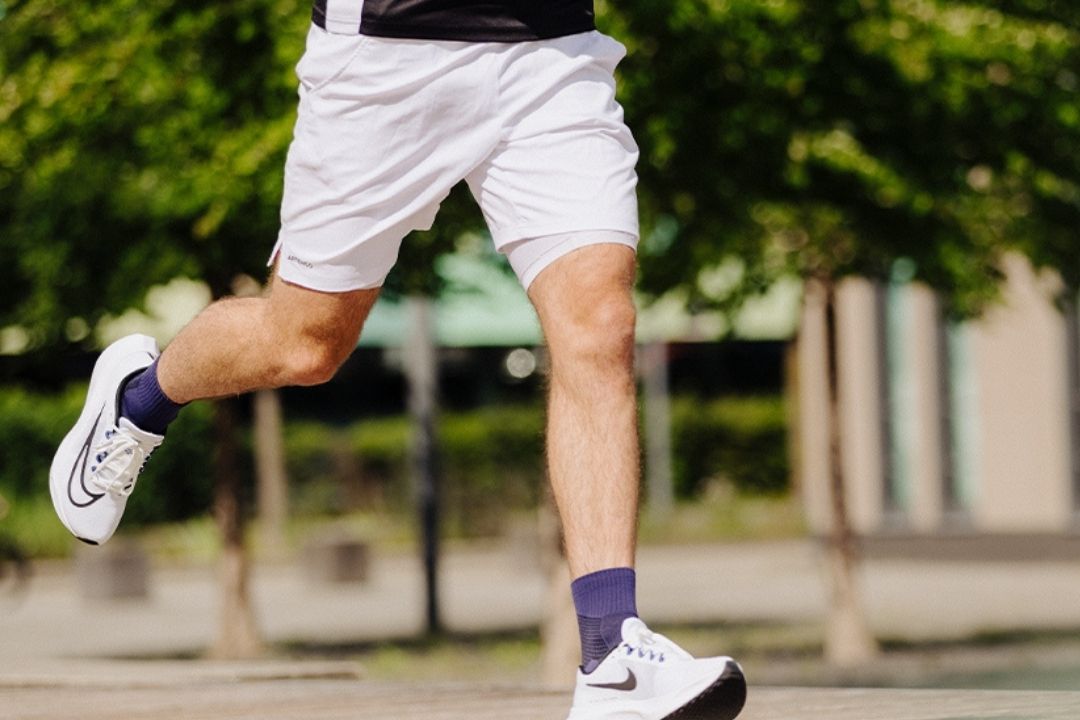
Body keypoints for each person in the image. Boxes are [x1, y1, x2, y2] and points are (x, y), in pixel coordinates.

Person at [49, 2, 746, 718]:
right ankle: (139, 400)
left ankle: (611, 657)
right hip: (386, 52)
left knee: (600, 325)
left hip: (551, 48)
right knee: (305, 344)